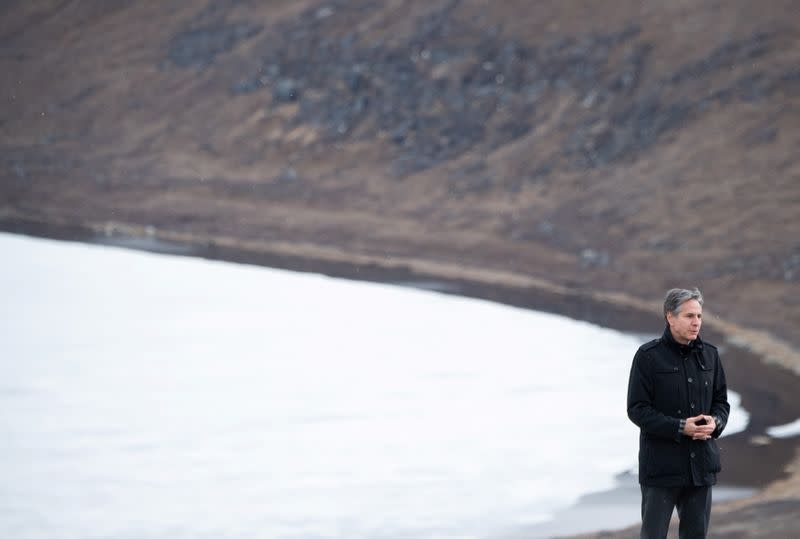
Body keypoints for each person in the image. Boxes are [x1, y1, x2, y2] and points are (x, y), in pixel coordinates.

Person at [627, 288, 730, 539]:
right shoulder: (648, 357)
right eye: (689, 316)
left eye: (699, 316)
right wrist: (680, 427)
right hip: (661, 469)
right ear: (670, 317)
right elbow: (637, 409)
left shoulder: (711, 355)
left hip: (701, 468)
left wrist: (715, 423)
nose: (696, 322)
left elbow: (721, 403)